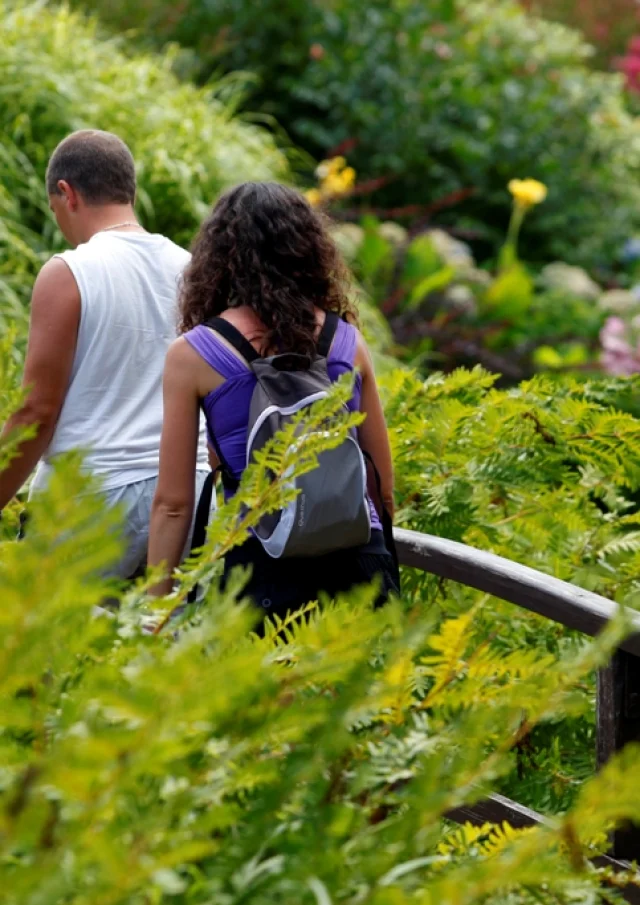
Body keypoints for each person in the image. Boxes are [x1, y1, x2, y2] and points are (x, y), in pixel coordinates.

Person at [148, 181, 399, 617]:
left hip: (261, 571)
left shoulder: (193, 355)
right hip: (358, 565)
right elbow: (381, 483)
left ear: (219, 258)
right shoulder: (347, 342)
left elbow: (173, 503)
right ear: (309, 251)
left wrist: (154, 613)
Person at [0, 129, 210, 580]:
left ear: (66, 194)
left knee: (43, 648)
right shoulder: (193, 270)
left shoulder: (70, 272)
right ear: (129, 191)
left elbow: (36, 412)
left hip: (92, 504)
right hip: (188, 501)